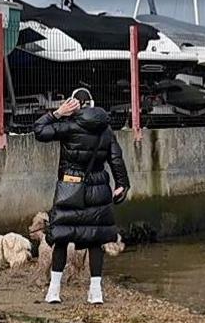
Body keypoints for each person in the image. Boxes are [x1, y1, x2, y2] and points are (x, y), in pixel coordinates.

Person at [33, 94, 131, 304]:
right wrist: (122, 184)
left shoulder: (70, 125)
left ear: (73, 104)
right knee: (95, 240)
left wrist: (57, 113)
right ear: (93, 104)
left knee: (61, 237)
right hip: (98, 186)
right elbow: (116, 158)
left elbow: (39, 130)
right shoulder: (105, 128)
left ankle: (54, 290)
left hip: (70, 185)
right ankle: (96, 292)